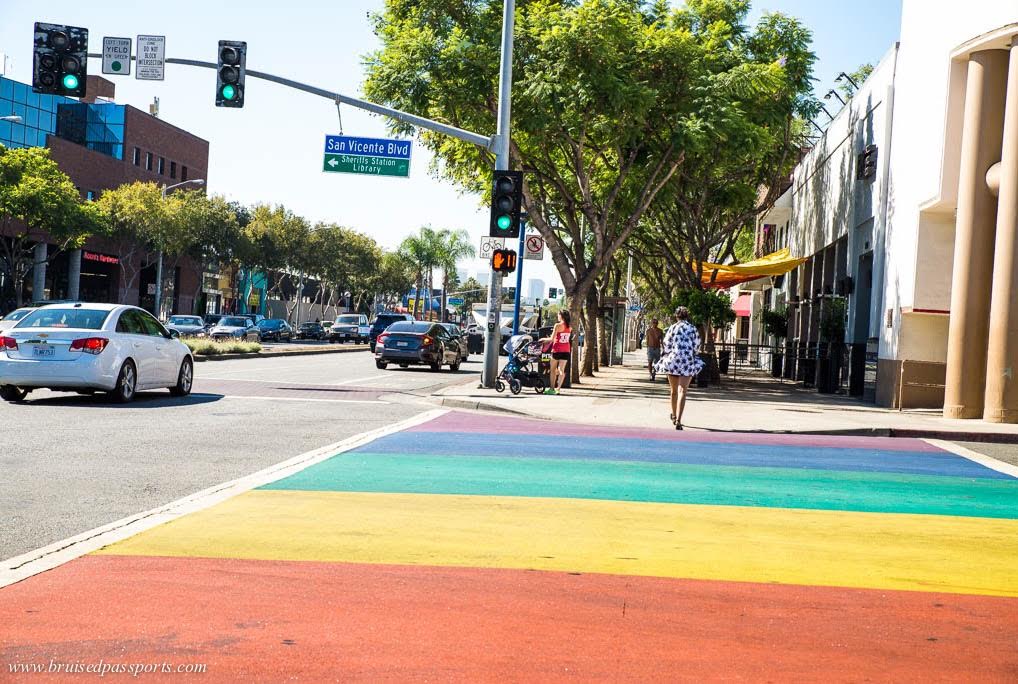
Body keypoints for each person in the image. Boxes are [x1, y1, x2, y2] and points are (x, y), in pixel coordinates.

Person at [656, 306, 704, 430]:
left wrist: (667, 354)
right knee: (683, 390)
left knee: (673, 391)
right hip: (687, 361)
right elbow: (697, 345)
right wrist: (691, 354)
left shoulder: (672, 328)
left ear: (676, 316)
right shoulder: (693, 329)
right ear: (687, 316)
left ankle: (673, 414)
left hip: (674, 361)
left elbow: (666, 344)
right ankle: (678, 419)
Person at [539, 310, 572, 395]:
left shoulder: (557, 325)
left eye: (558, 314)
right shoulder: (569, 327)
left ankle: (551, 388)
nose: (558, 316)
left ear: (561, 316)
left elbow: (552, 339)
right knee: (561, 370)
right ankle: (558, 389)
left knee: (553, 370)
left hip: (557, 350)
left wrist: (543, 339)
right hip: (566, 350)